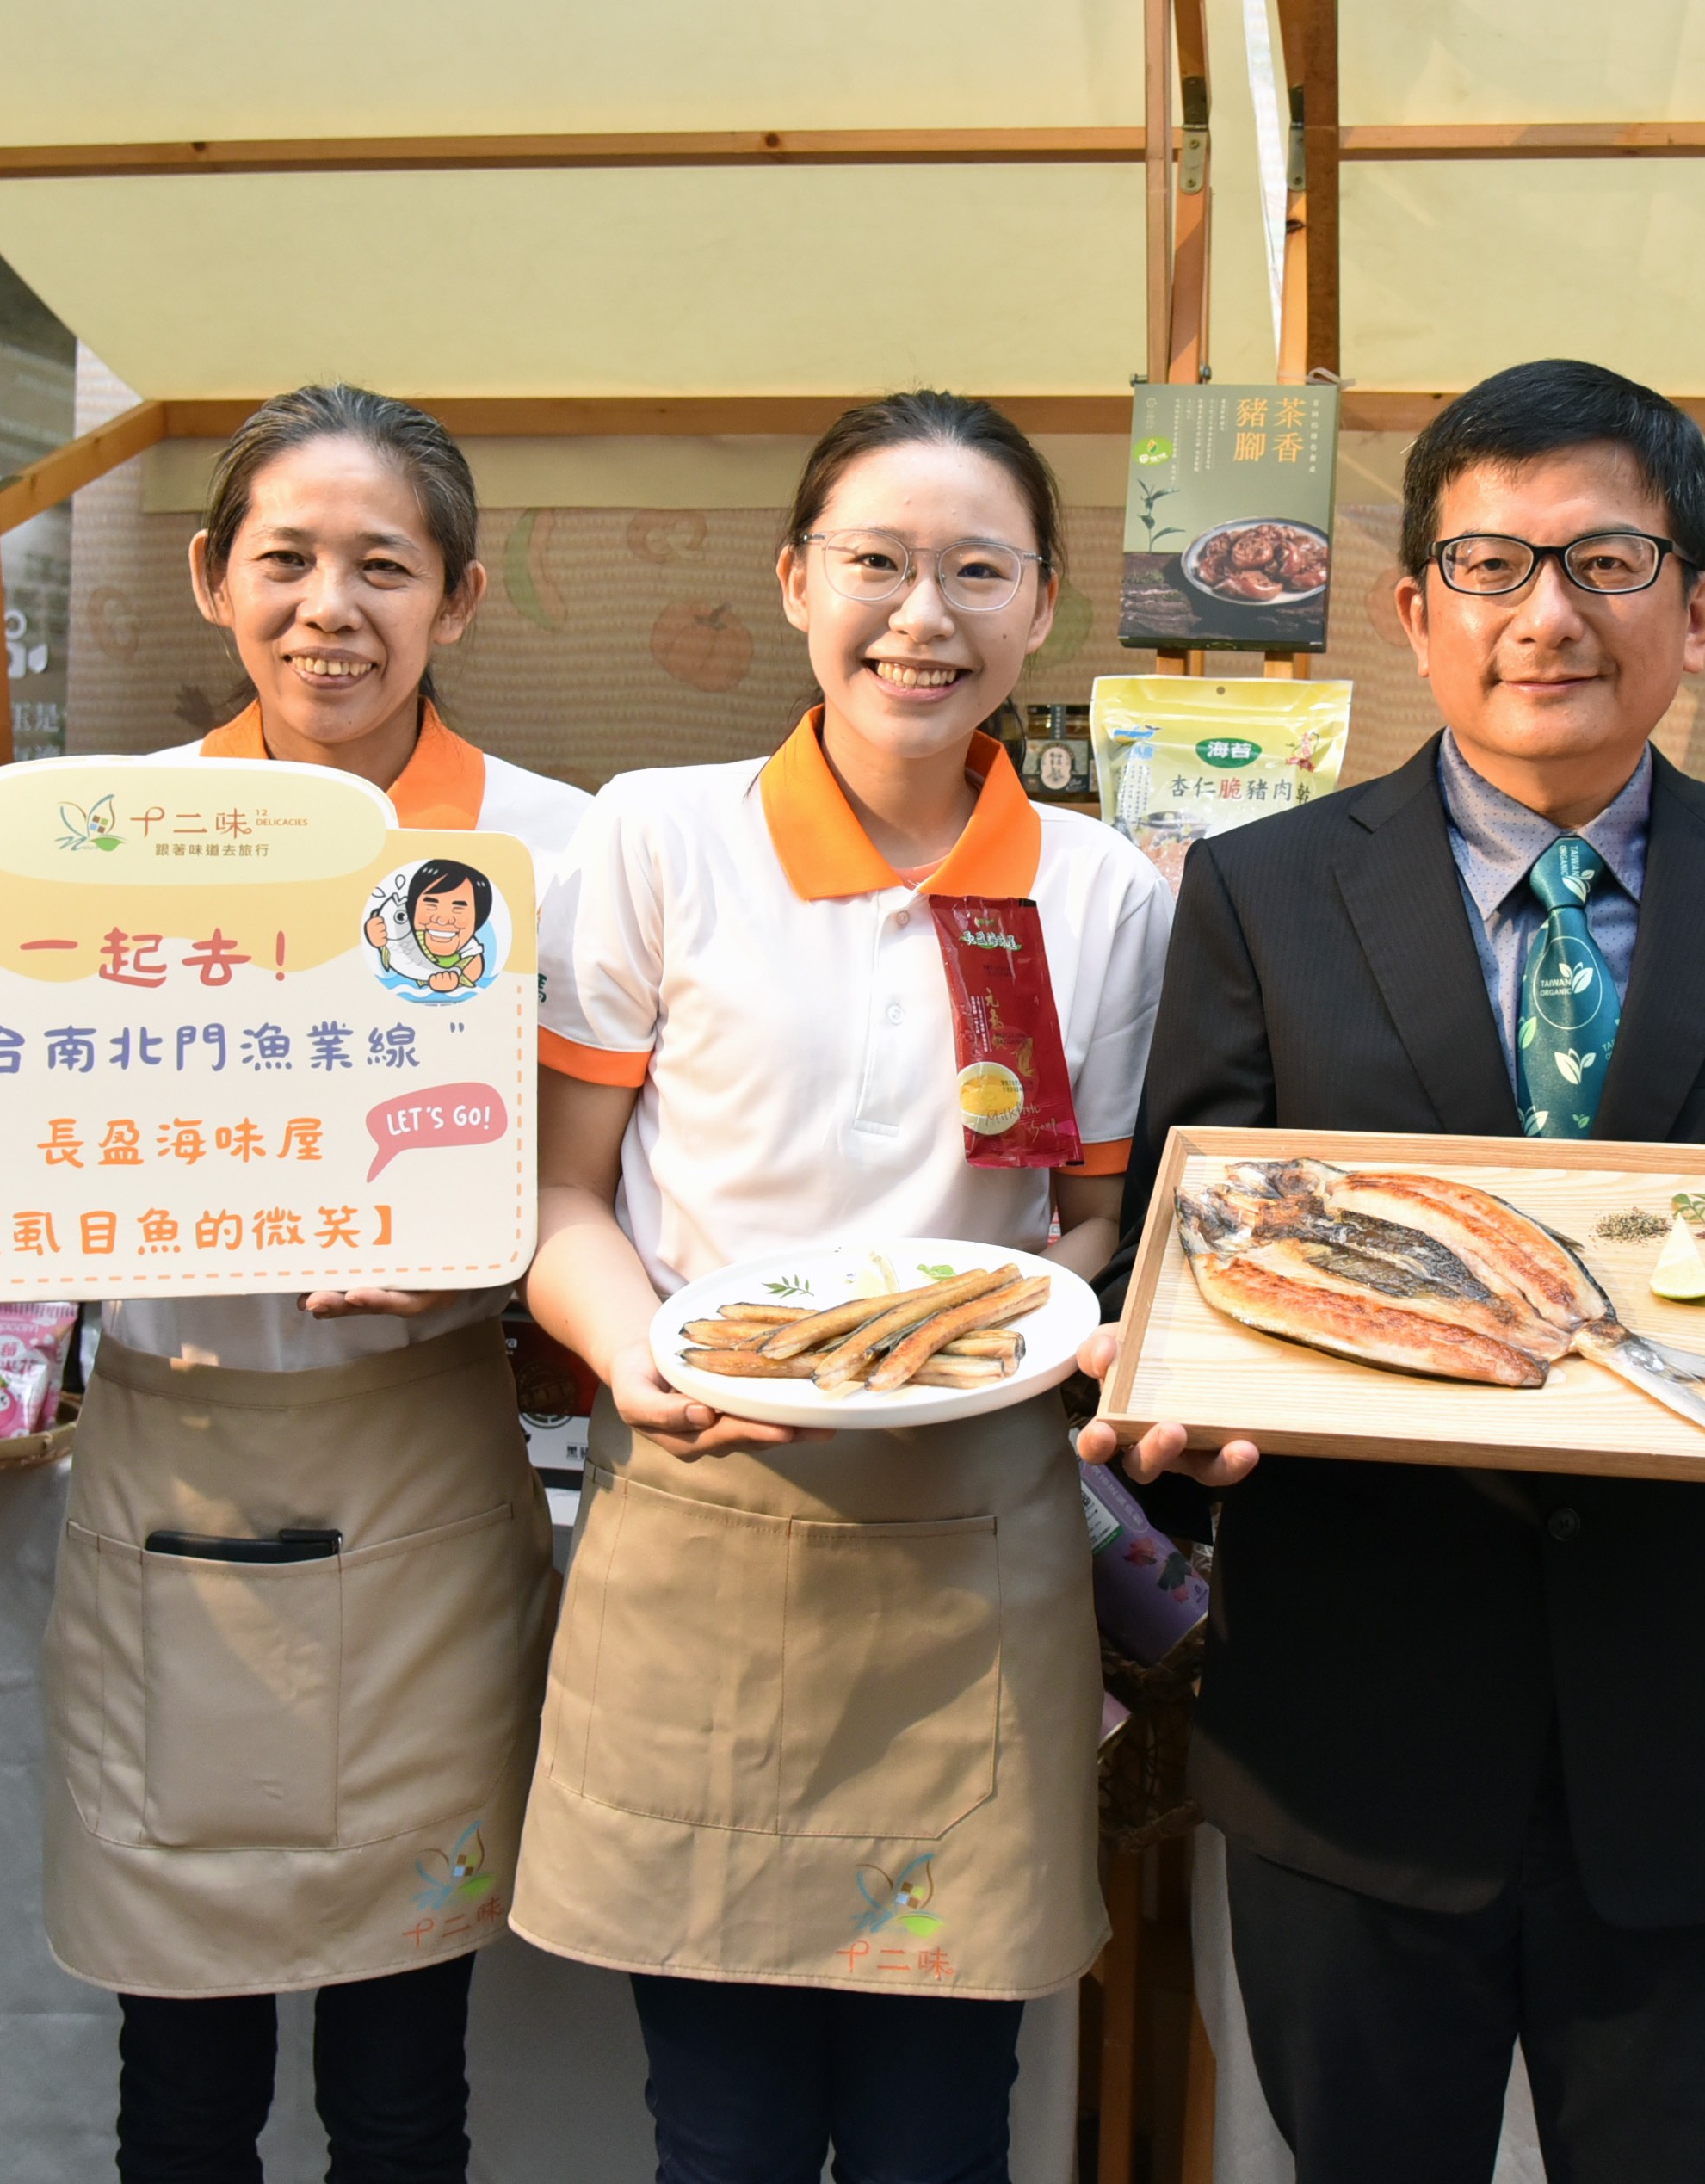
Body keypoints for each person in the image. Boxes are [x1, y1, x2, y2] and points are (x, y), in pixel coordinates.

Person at [1080, 357, 1705, 2181]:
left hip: (1702, 1743)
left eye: (1606, 562)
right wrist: (1167, 1407)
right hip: (1356, 1734)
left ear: (1698, 610)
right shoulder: (1261, 890)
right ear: (1415, 610)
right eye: (1488, 566)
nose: (1546, 615)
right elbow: (1195, 1240)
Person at [0, 384, 585, 2183]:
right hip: (168, 1483)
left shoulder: (550, 853)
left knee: (401, 2086)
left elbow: (606, 1174)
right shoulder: (85, 843)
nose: (329, 609)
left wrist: (500, 1254)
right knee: (181, 2080)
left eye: (384, 566)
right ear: (213, 577)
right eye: (286, 559)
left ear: (460, 598)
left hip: (424, 1479)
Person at [517, 391, 1170, 2183]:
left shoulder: (1102, 891)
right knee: (717, 2132)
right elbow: (562, 1191)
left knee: (938, 2134)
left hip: (975, 1556)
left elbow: (1093, 1224)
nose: (922, 617)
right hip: (700, 1519)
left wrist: (1047, 1318)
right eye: (876, 562)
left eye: (979, 572)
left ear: (1045, 605)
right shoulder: (660, 836)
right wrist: (633, 1354)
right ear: (797, 580)